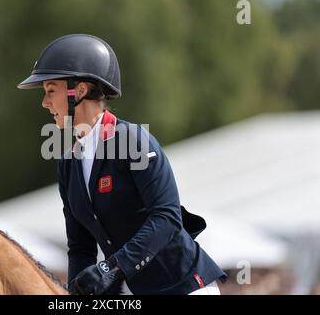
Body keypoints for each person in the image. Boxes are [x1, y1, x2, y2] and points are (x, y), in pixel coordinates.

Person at [17, 34, 227, 295]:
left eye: (50, 91)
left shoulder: (133, 141)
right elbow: (80, 248)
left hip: (182, 285)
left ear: (79, 90)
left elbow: (166, 218)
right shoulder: (68, 164)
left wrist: (111, 268)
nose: (44, 102)